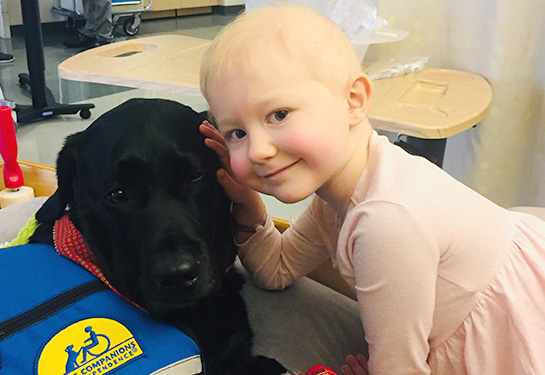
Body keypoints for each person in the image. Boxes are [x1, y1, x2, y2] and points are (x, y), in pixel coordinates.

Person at [199, 3, 545, 375]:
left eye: (279, 115)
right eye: (237, 133)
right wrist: (249, 205)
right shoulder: (337, 195)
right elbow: (277, 271)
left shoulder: (386, 223)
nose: (258, 151)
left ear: (353, 101)